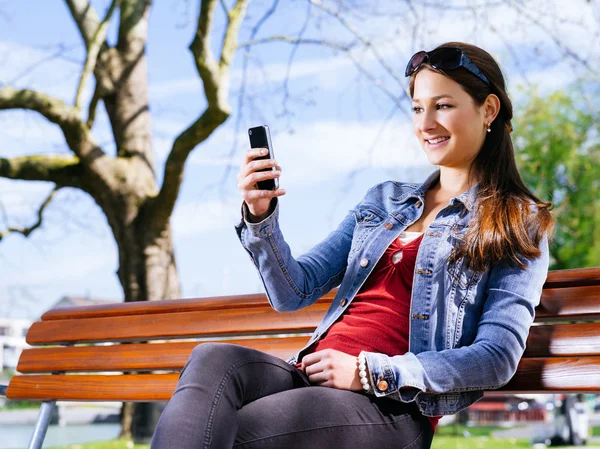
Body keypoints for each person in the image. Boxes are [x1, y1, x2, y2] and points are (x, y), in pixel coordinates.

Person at [150, 41, 554, 449]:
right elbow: (293, 290)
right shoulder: (384, 201)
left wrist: (368, 371)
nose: (425, 122)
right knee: (211, 359)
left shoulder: (517, 221)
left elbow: (495, 357)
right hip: (309, 376)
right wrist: (260, 216)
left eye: (443, 106)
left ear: (488, 109)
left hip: (391, 409)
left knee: (235, 432)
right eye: (417, 108)